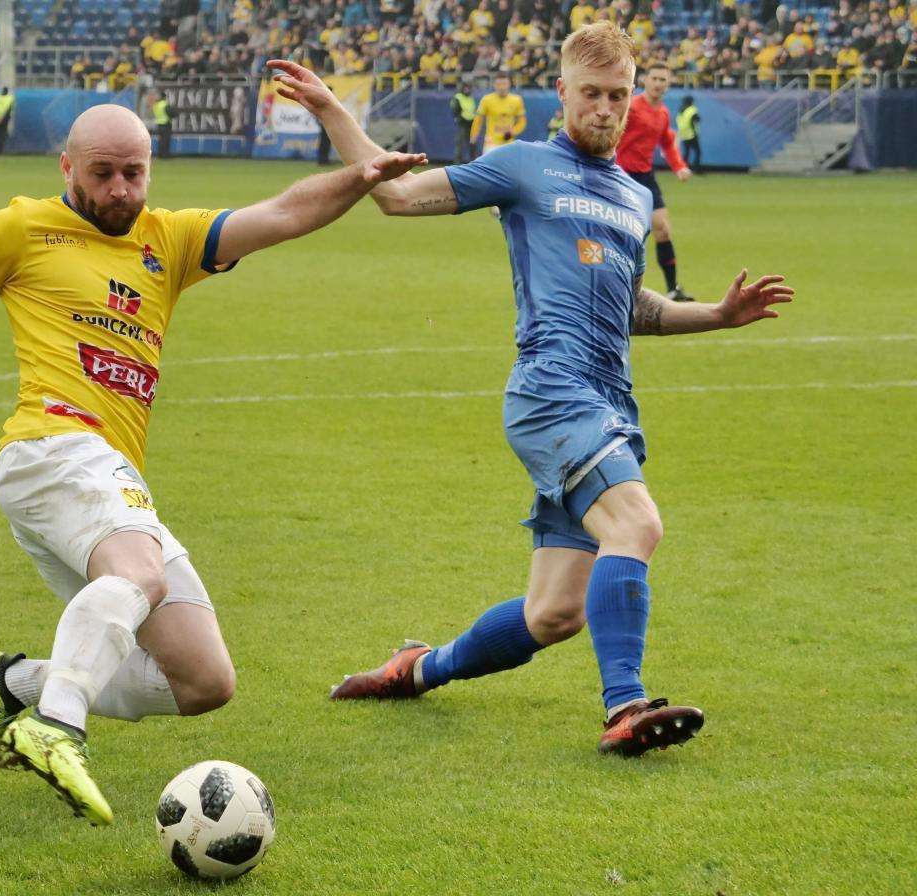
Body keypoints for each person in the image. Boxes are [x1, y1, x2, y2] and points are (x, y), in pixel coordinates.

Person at [0, 105, 424, 822]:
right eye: (103, 174)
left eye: (134, 172)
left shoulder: (170, 239)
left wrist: (360, 175)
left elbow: (282, 213)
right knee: (142, 575)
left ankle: (10, 685)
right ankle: (57, 727)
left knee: (203, 680)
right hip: (51, 447)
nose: (121, 189)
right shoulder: (18, 228)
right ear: (67, 167)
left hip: (106, 471)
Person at [267, 21, 793, 758]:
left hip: (609, 401)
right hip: (551, 390)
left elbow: (630, 306)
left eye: (618, 96)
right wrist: (332, 110)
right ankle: (625, 705)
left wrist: (717, 315)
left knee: (554, 614)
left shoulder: (632, 196)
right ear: (562, 92)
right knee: (636, 525)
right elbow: (400, 196)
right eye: (591, 94)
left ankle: (415, 669)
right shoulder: (523, 165)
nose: (604, 109)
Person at [616, 63, 694, 303]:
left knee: (662, 229)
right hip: (621, 175)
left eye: (663, 80)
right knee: (622, 234)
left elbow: (667, 143)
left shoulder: (663, 113)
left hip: (645, 176)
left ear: (668, 84)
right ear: (644, 80)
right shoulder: (631, 107)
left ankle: (672, 289)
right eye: (655, 78)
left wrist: (679, 166)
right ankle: (616, 289)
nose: (658, 83)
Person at [470, 73, 526, 154]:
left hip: (509, 143)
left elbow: (522, 122)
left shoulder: (517, 100)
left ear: (509, 84)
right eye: (499, 84)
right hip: (491, 143)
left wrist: (513, 132)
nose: (502, 87)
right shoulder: (486, 100)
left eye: (504, 84)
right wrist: (473, 137)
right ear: (494, 85)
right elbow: (478, 120)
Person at [450, 78, 477, 163]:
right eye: (465, 87)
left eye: (469, 88)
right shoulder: (458, 96)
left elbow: (473, 109)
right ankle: (457, 162)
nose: (467, 89)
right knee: (460, 143)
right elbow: (454, 108)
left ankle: (474, 162)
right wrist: (458, 118)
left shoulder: (471, 97)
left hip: (471, 123)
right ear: (462, 88)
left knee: (473, 143)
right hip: (462, 123)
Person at [676, 95, 701, 171]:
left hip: (683, 134)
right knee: (698, 152)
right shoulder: (692, 110)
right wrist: (695, 133)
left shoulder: (681, 110)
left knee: (686, 152)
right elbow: (696, 120)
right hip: (692, 134)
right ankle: (696, 168)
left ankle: (683, 167)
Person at [150, 89, 173, 159]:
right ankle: (165, 155)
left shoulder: (156, 105)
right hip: (166, 124)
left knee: (161, 140)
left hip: (159, 124)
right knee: (166, 140)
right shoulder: (164, 104)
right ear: (165, 97)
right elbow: (171, 113)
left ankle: (160, 154)